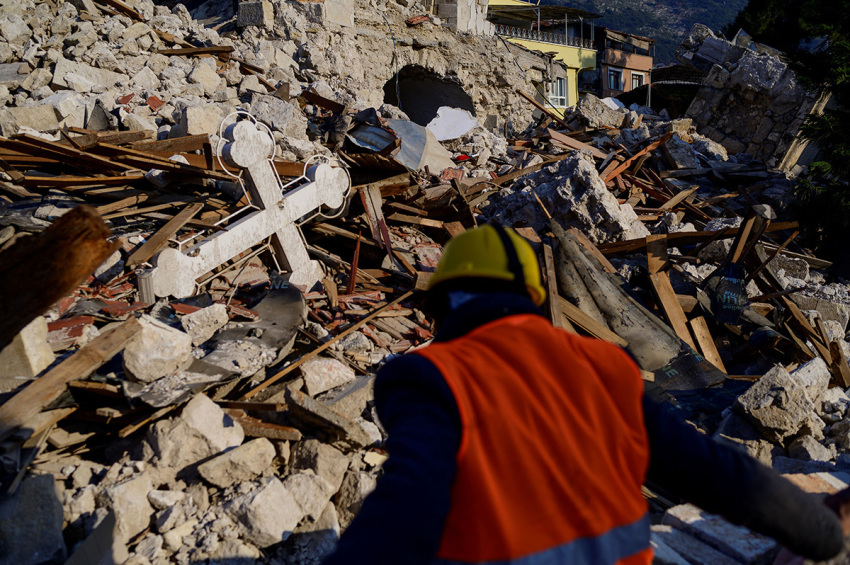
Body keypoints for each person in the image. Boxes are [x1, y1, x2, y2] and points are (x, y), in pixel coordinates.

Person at [322, 224, 848, 565]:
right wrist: (818, 532)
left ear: (440, 306)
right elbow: (713, 472)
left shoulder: (429, 375)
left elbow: (410, 499)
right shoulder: (605, 368)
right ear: (533, 296)